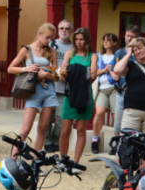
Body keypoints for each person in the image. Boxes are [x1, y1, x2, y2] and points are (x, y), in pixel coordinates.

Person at [7, 23, 59, 153]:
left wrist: (47, 74)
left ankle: (37, 160)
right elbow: (10, 69)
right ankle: (13, 158)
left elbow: (56, 75)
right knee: (26, 129)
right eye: (47, 37)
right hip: (33, 90)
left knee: (43, 128)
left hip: (49, 90)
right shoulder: (26, 49)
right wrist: (26, 68)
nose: (49, 41)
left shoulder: (51, 51)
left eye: (51, 38)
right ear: (40, 34)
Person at [112, 25, 145, 153]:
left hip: (138, 93)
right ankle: (118, 150)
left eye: (132, 36)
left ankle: (137, 150)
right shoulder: (119, 53)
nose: (129, 38)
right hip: (121, 92)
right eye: (127, 36)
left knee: (137, 125)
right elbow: (115, 71)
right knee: (118, 123)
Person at [59, 27, 97, 163]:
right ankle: (63, 159)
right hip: (70, 94)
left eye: (81, 39)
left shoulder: (92, 55)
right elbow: (63, 74)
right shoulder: (69, 54)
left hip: (85, 95)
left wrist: (71, 70)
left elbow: (92, 75)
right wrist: (69, 71)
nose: (79, 42)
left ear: (86, 40)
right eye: (76, 39)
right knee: (64, 131)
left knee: (81, 130)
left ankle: (76, 161)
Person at [46, 20, 73, 153]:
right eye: (61, 28)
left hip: (64, 88)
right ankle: (47, 141)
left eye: (67, 29)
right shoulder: (51, 44)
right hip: (49, 86)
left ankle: (56, 140)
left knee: (61, 117)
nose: (64, 31)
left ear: (71, 31)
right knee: (46, 116)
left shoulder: (74, 48)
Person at [91, 33, 118, 154]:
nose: (106, 42)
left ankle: (117, 142)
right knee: (99, 113)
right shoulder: (98, 55)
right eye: (104, 40)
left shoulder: (117, 56)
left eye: (108, 40)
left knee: (115, 116)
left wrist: (111, 71)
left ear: (114, 43)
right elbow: (94, 72)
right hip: (102, 87)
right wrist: (105, 70)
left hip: (114, 88)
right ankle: (95, 139)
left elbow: (119, 74)